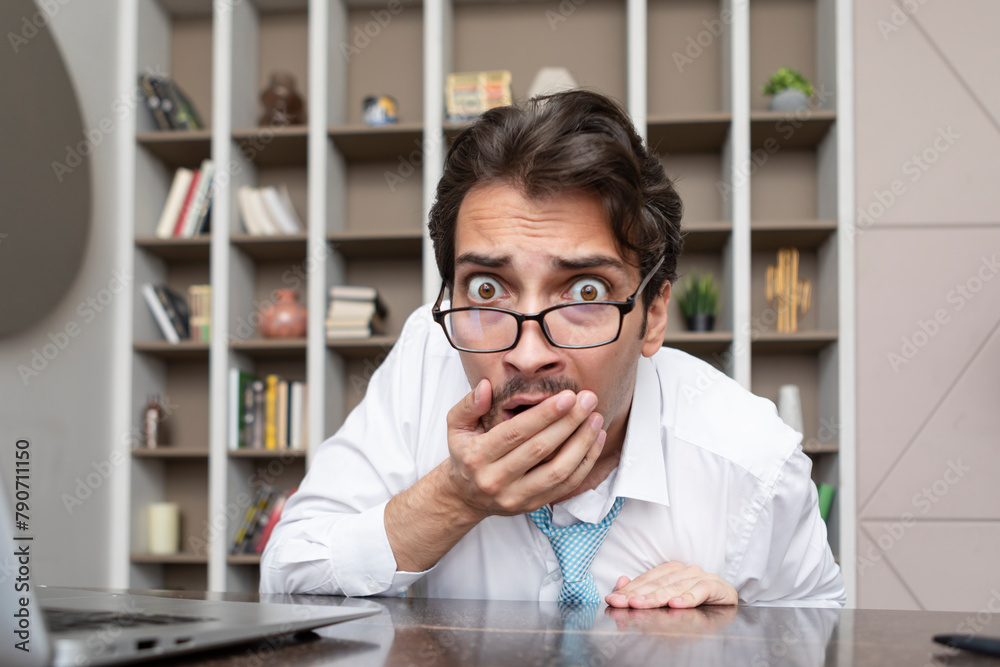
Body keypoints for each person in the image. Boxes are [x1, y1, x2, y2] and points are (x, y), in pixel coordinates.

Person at [260, 90, 846, 608]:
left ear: (653, 316)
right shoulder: (427, 355)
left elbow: (819, 636)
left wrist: (741, 632)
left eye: (586, 291)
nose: (528, 354)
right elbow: (286, 577)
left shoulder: (755, 464)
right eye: (486, 289)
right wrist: (453, 499)